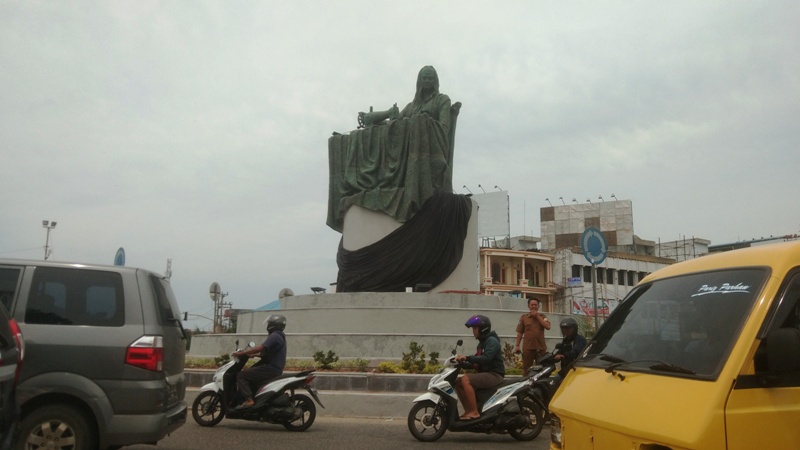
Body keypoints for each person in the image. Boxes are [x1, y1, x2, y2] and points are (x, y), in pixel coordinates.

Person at [327, 65, 455, 233]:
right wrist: (385, 116)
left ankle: (410, 186)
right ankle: (374, 180)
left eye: (430, 77)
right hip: (411, 149)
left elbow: (444, 128)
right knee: (368, 136)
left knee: (418, 123)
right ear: (419, 81)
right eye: (424, 77)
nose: (427, 80)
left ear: (436, 80)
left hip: (433, 148)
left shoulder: (442, 100)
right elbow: (394, 123)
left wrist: (423, 122)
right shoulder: (412, 105)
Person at [454, 315, 505, 420]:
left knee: (465, 380)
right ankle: (468, 411)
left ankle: (474, 412)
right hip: (486, 374)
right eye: (473, 328)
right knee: (458, 381)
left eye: (475, 328)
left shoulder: (491, 341)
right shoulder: (482, 343)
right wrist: (460, 363)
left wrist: (467, 357)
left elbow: (486, 358)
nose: (474, 331)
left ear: (483, 328)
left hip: (494, 374)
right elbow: (476, 363)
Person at [232, 314, 288, 409]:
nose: (268, 325)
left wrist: (243, 353)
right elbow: (268, 353)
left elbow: (261, 347)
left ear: (274, 324)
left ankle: (249, 400)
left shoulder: (275, 336)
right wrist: (254, 355)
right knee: (251, 372)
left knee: (241, 375)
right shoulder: (279, 336)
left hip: (270, 369)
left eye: (269, 323)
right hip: (273, 368)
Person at [514, 298, 551, 374]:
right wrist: (517, 345)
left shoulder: (543, 317)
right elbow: (519, 333)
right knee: (526, 369)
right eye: (532, 305)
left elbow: (548, 327)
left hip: (540, 348)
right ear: (528, 306)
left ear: (538, 306)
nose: (534, 306)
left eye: (535, 305)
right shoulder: (524, 318)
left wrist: (537, 316)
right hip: (528, 348)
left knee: (542, 368)